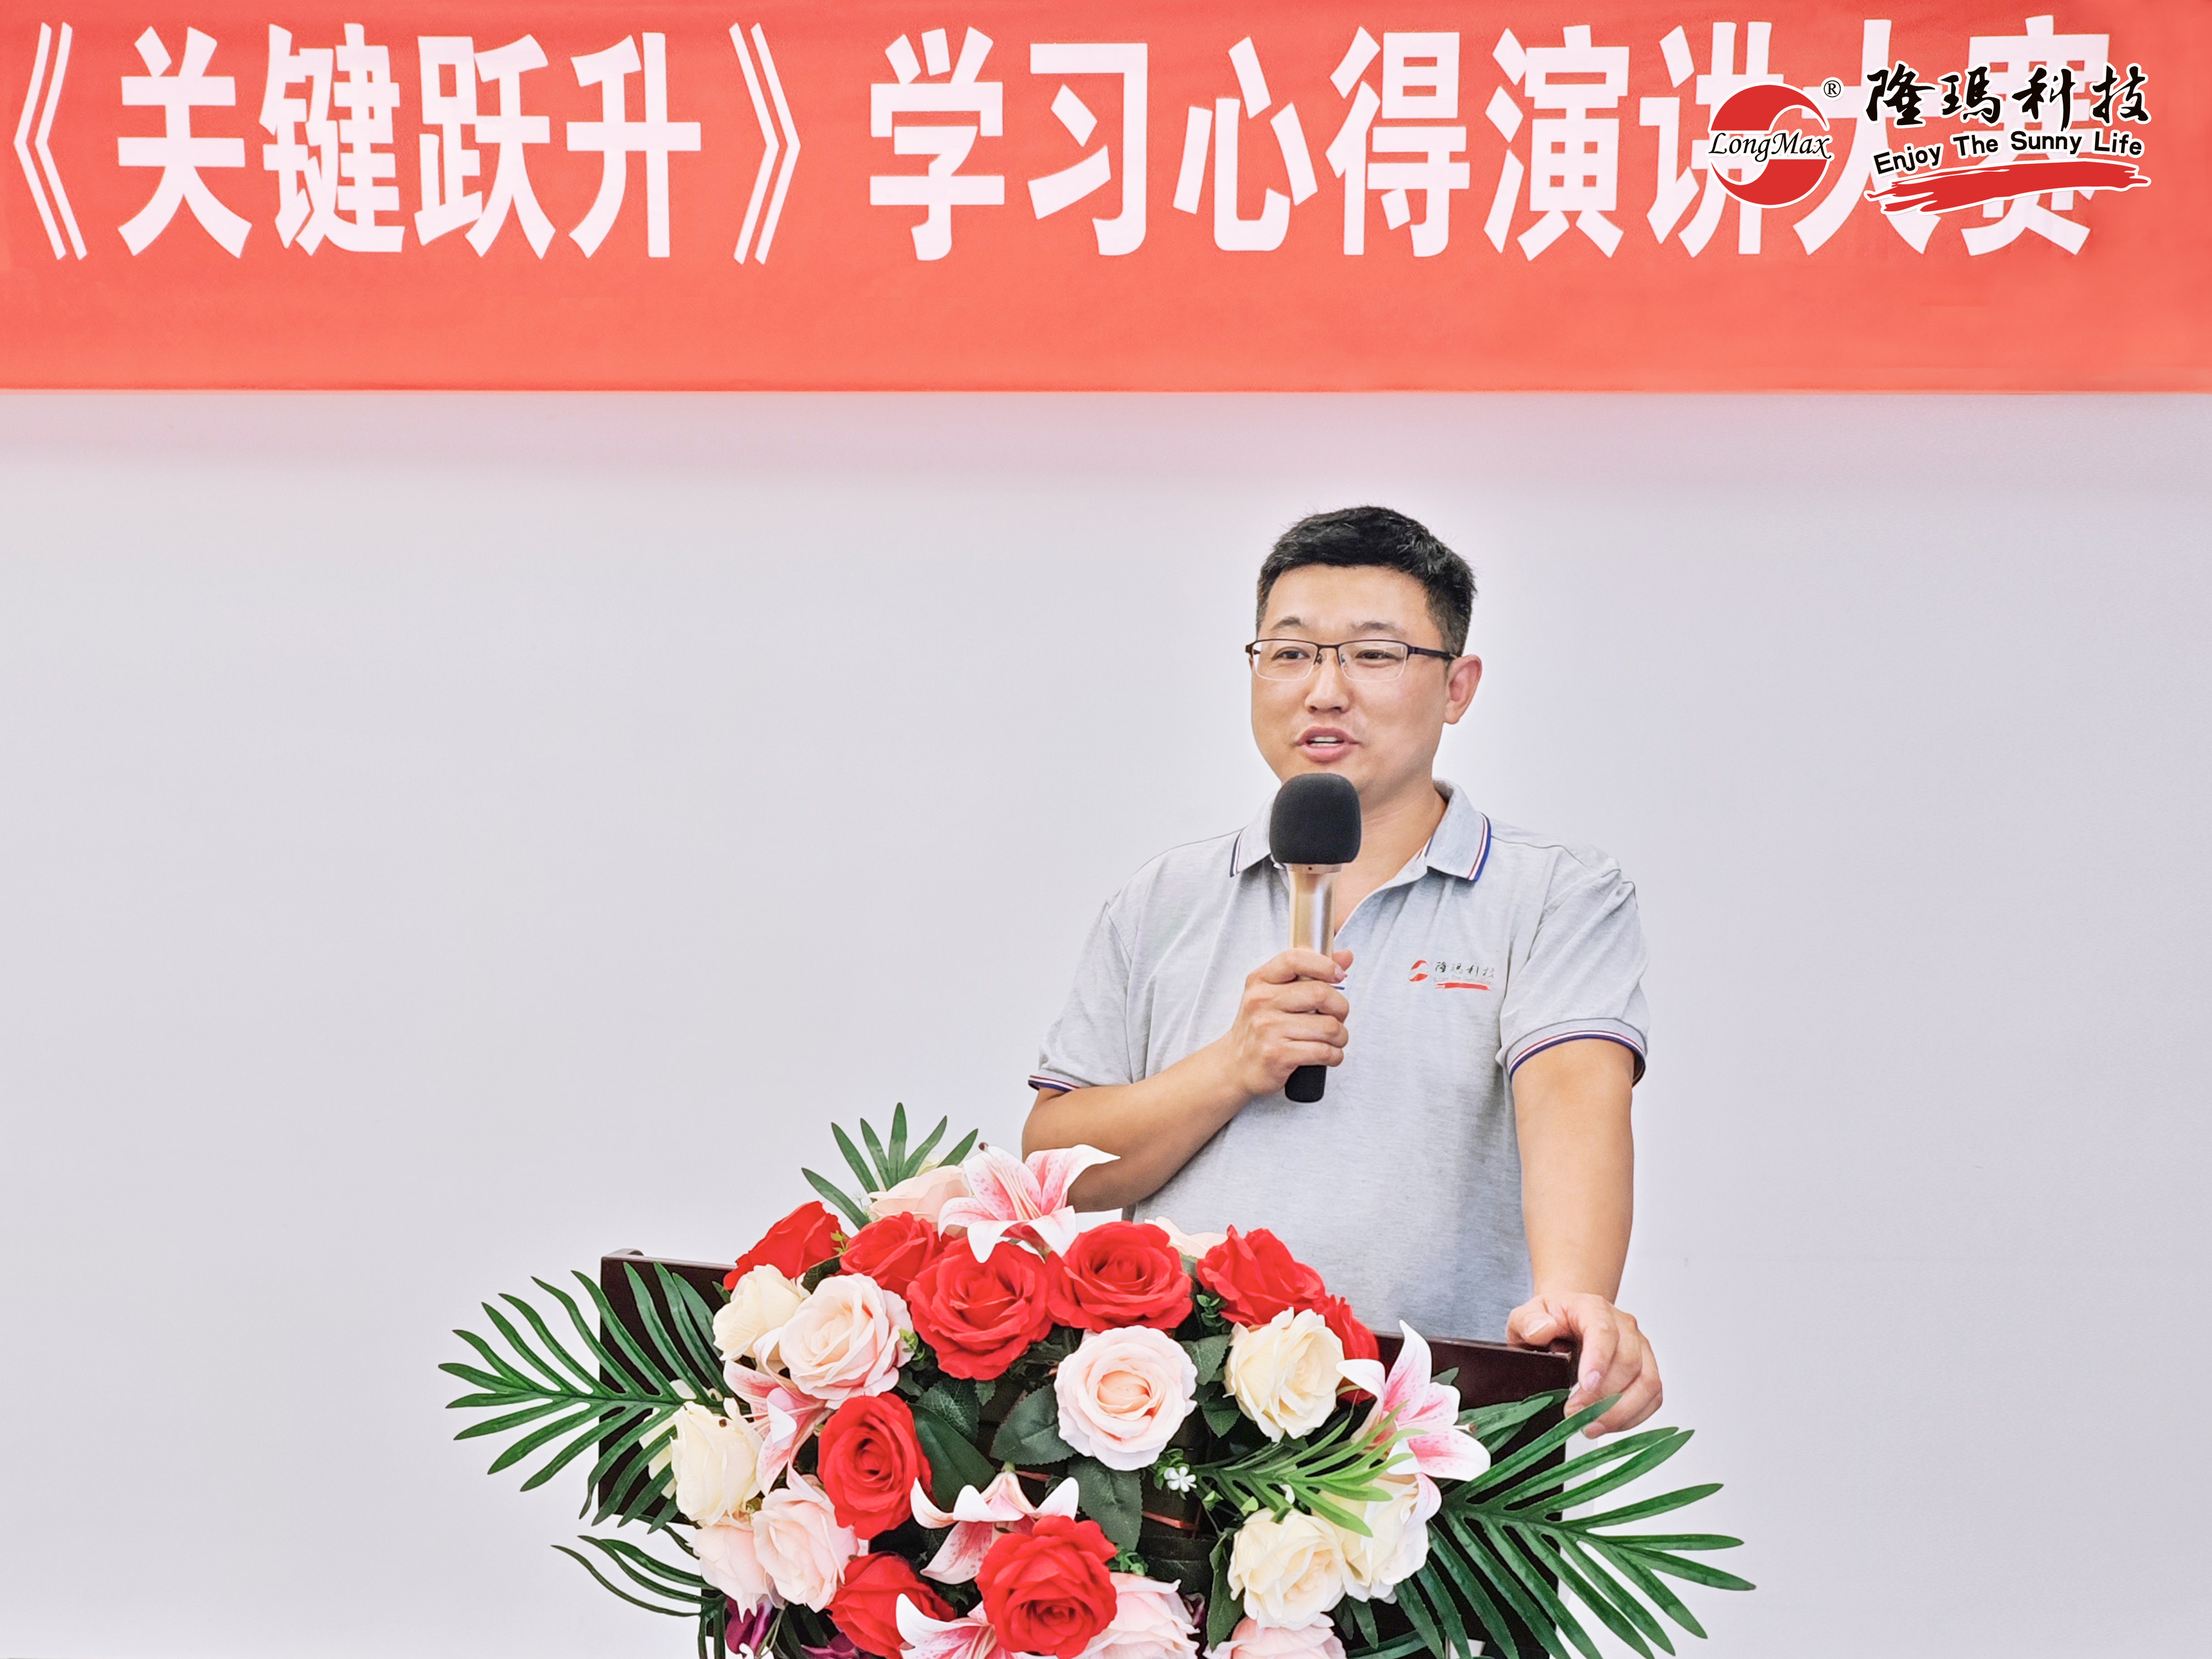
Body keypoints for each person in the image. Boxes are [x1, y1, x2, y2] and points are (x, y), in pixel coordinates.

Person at [1022, 505, 1661, 1437]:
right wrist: (1230, 1067)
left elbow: (1571, 1092)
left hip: (1438, 1434)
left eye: (1373, 655)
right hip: (1176, 1427)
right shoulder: (1163, 899)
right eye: (1289, 654)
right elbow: (1059, 1165)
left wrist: (1576, 1299)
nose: (1324, 691)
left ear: (1458, 687)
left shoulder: (1554, 893)